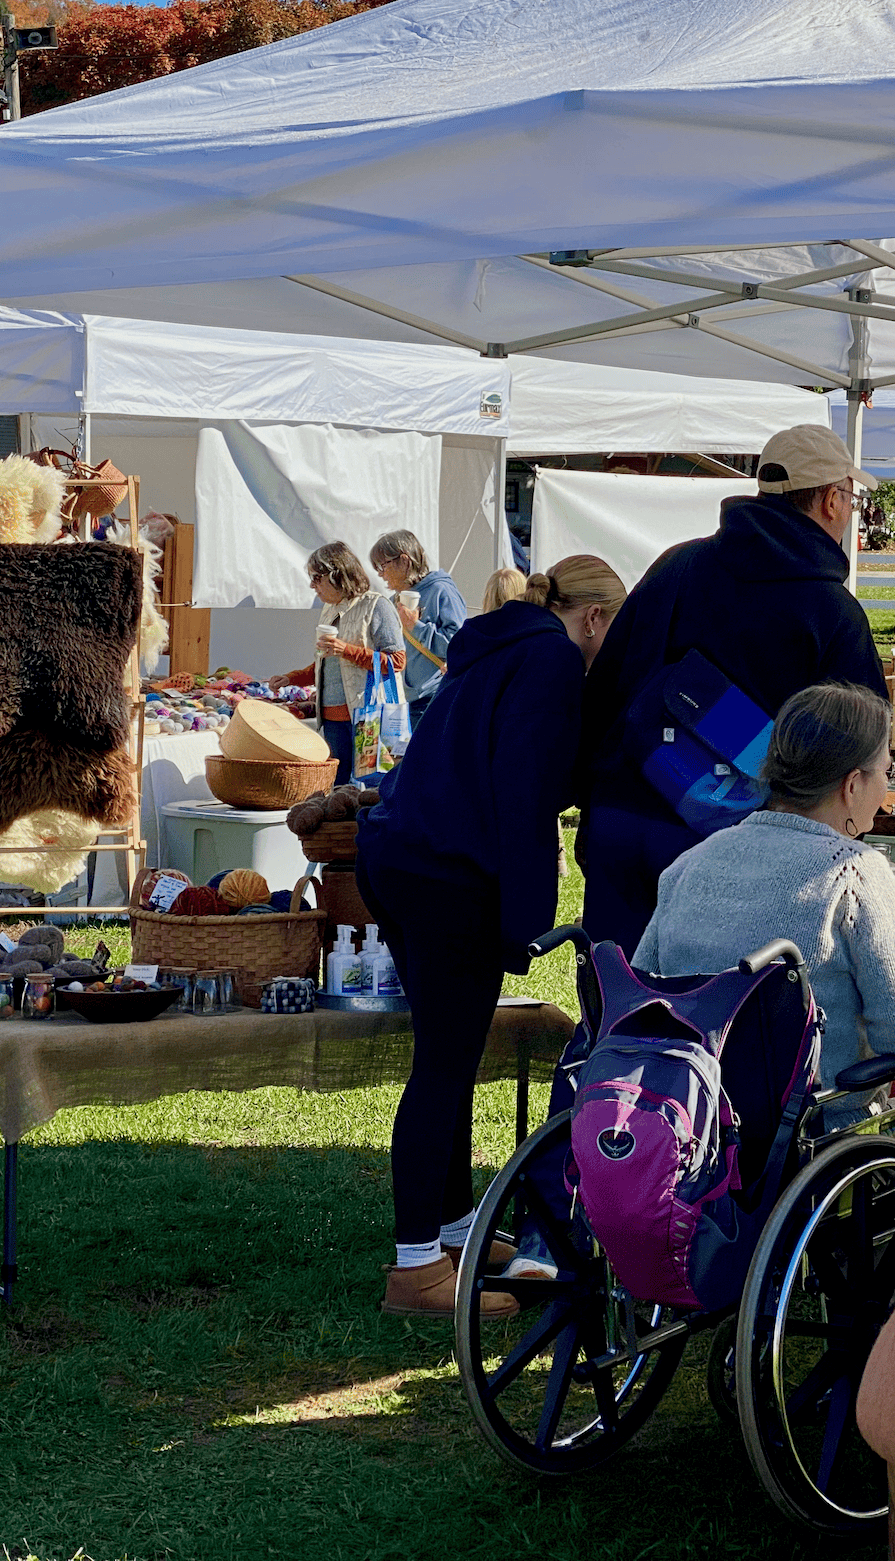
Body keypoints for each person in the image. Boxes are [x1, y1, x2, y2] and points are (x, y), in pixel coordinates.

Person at [357, 554, 628, 1318]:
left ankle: (448, 1233)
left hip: (407, 859)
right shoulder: (548, 659)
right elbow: (525, 798)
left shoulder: (499, 645)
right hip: (449, 878)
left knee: (449, 1056)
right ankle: (415, 1271)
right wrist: (524, 928)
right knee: (443, 1069)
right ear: (596, 619)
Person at [578, 423, 889, 953]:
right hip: (735, 860)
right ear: (832, 501)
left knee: (617, 1016)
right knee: (715, 1024)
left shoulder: (677, 565)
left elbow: (603, 691)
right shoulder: (833, 612)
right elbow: (860, 750)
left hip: (623, 828)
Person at [634, 683, 895, 1121]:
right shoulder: (855, 874)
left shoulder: (690, 863)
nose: (886, 791)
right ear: (853, 784)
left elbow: (645, 992)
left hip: (686, 1117)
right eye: (886, 772)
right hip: (808, 1128)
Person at [271, 541, 406, 786]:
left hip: (369, 715)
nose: (312, 585)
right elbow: (325, 663)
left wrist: (347, 651)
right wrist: (291, 678)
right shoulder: (329, 609)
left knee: (374, 785)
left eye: (317, 578)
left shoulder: (377, 606)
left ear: (338, 574)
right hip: (332, 718)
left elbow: (397, 660)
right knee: (338, 786)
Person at [369, 529, 467, 727]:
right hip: (401, 702)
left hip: (435, 697)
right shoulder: (394, 600)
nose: (380, 574)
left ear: (404, 560)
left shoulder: (441, 590)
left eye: (383, 565)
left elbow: (460, 646)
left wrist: (416, 626)